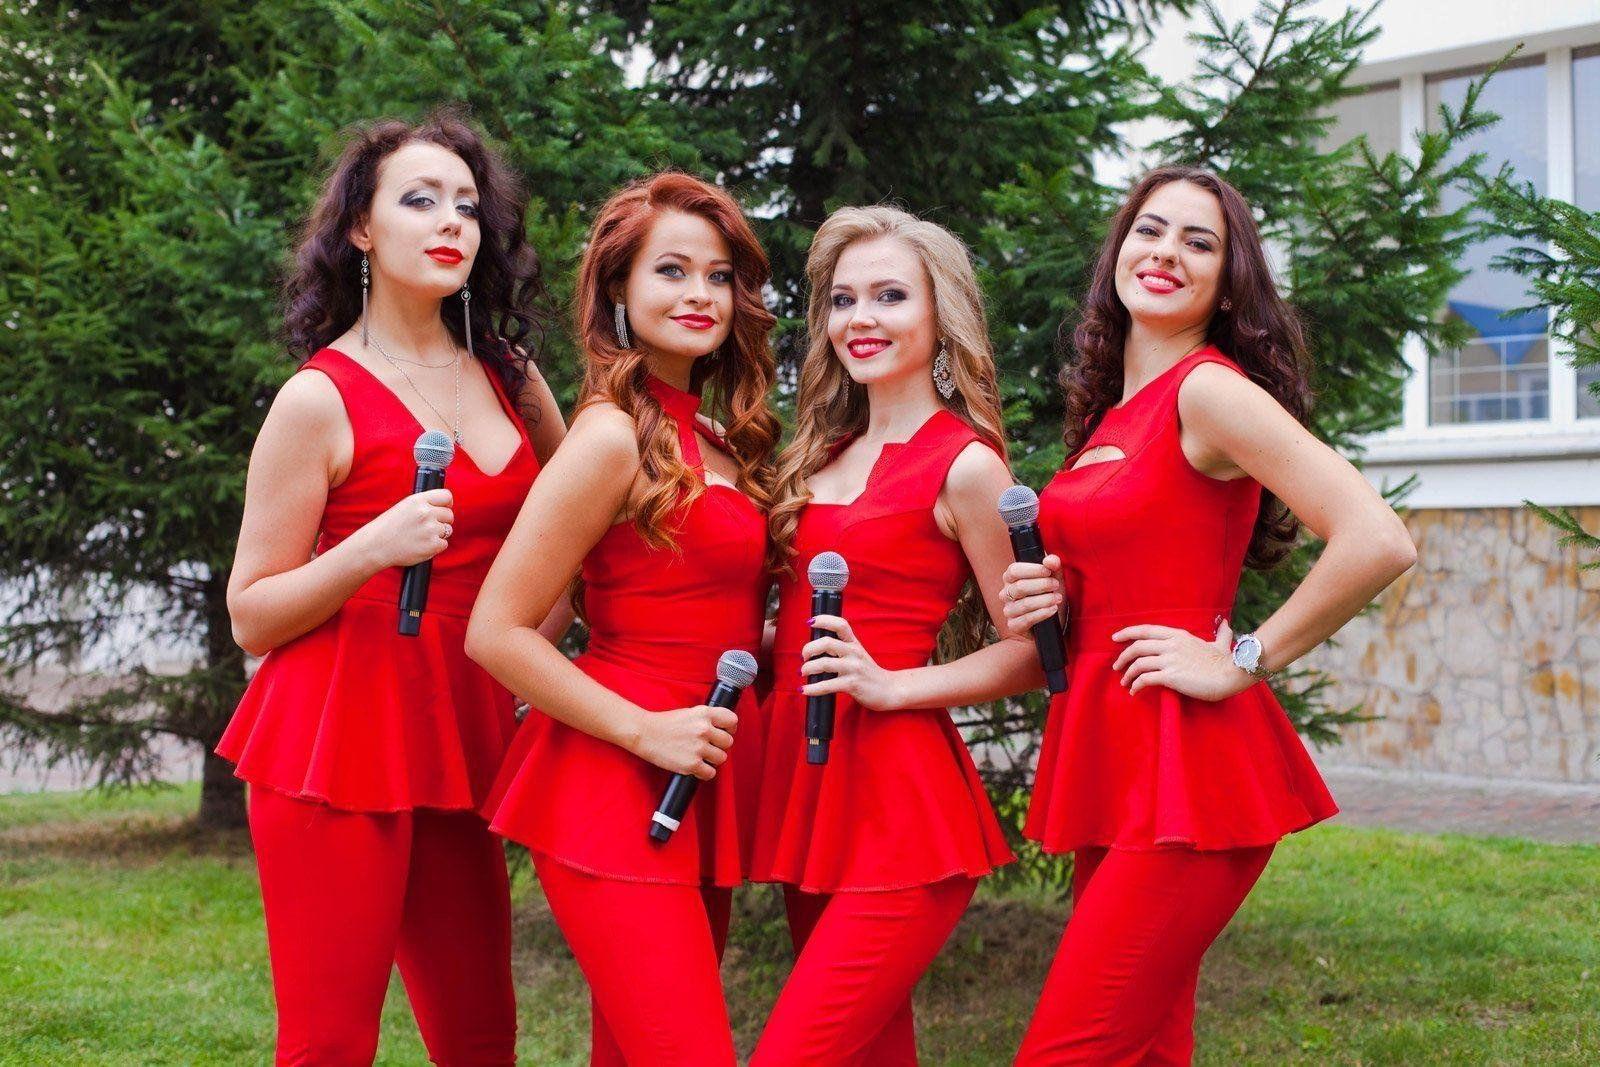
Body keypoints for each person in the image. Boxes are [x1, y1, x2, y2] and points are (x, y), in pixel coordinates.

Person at [999, 165, 1418, 1065]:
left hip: (1188, 766)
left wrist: (1242, 657)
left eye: (1199, 242)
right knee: (1147, 1048)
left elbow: (1377, 537)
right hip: (1115, 757)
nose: (1166, 253)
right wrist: (1052, 598)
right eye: (1150, 230)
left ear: (1228, 285)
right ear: (1119, 252)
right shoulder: (1114, 412)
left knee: (1066, 1049)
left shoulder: (1207, 390)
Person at [219, 109, 565, 1065]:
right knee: (330, 1042)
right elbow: (251, 614)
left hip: (463, 732)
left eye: (467, 205)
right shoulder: (318, 396)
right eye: (419, 200)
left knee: (482, 1038)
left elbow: (579, 540)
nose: (452, 220)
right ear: (361, 230)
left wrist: (533, 648)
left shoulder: (512, 377)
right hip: (335, 737)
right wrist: (369, 547)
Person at [467, 171, 780, 1066]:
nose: (699, 294)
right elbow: (496, 629)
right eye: (671, 271)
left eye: (718, 276)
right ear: (618, 289)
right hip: (612, 780)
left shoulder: (718, 440)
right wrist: (647, 731)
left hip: (698, 773)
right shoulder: (610, 435)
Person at [749, 206, 1038, 1065]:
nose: (860, 318)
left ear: (941, 316)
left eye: (889, 295)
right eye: (843, 299)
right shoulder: (818, 454)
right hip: (808, 787)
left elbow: (1032, 647)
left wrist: (894, 682)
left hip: (901, 803)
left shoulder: (967, 463)